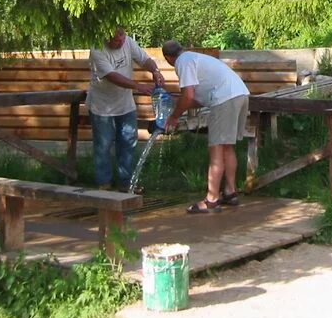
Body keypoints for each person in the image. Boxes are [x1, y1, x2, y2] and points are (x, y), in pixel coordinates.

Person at [161, 40, 250, 214]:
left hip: (225, 99)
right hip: (240, 94)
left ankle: (211, 200)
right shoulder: (196, 58)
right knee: (227, 147)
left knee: (215, 149)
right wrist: (176, 103)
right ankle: (230, 193)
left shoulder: (183, 62)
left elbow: (187, 95)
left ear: (168, 58)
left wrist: (173, 117)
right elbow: (194, 100)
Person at [88, 27, 165, 191]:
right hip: (102, 106)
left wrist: (155, 71)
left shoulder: (128, 42)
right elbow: (111, 76)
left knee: (128, 142)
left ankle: (127, 183)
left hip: (125, 104)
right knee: (103, 145)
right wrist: (138, 86)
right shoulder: (97, 48)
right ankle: (104, 184)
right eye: (116, 39)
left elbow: (144, 59)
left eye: (122, 37)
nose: (121, 41)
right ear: (106, 38)